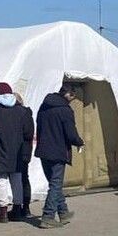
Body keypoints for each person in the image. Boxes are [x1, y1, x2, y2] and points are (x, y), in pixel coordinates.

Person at [35, 84, 85, 228]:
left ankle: (63, 212)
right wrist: (79, 142)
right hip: (58, 150)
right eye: (72, 97)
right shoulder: (65, 110)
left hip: (43, 150)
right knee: (55, 184)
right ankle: (48, 216)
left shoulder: (43, 107)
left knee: (54, 183)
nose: (72, 100)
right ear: (68, 94)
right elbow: (70, 132)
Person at [0, 82, 33, 223]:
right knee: (17, 180)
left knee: (1, 181)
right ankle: (17, 209)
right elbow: (28, 132)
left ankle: (3, 212)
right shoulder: (21, 110)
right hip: (16, 151)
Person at [13, 92, 35, 220]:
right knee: (23, 178)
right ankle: (24, 207)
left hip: (22, 150)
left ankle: (24, 206)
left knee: (22, 178)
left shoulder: (23, 113)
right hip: (24, 150)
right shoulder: (26, 113)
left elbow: (28, 133)